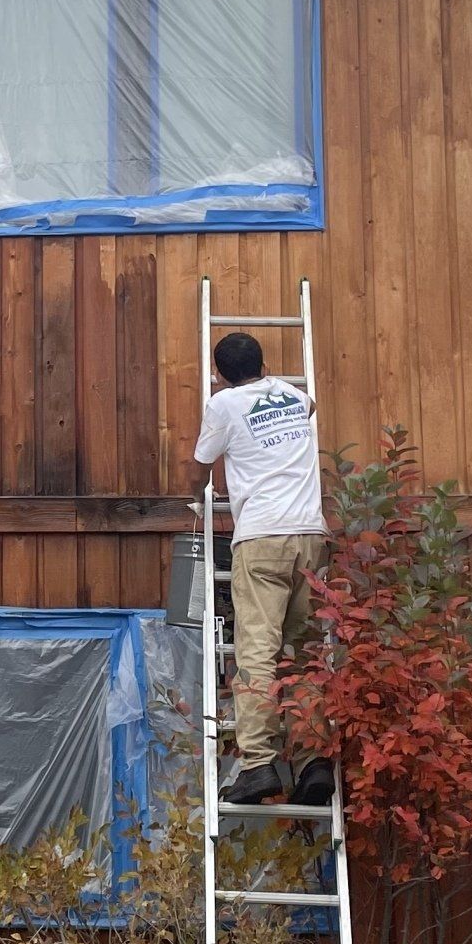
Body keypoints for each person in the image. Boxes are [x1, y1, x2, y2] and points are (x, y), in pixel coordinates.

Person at [192, 331, 333, 807]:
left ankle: (258, 766)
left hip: (262, 537)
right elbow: (310, 405)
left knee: (256, 652)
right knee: (305, 651)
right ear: (265, 364)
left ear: (219, 374)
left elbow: (202, 458)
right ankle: (314, 760)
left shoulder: (224, 404)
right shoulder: (293, 395)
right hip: (310, 537)